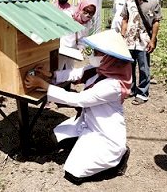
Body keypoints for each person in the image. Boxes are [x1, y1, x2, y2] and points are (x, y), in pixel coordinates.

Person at [25, 29, 133, 184]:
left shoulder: (113, 85)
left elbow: (78, 100)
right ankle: (83, 144)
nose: (93, 55)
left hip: (106, 135)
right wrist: (51, 75)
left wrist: (45, 86)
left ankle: (117, 161)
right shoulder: (100, 70)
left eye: (97, 52)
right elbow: (75, 74)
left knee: (73, 171)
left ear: (110, 58)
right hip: (87, 123)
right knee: (57, 136)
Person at [120, 0, 162, 105]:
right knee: (129, 67)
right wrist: (122, 35)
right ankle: (131, 89)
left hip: (144, 40)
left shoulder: (154, 2)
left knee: (144, 68)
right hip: (130, 40)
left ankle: (143, 93)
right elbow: (125, 19)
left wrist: (153, 40)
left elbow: (156, 22)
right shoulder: (129, 1)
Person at [58, 0, 96, 70]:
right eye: (86, 11)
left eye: (91, 13)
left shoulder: (88, 23)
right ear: (81, 8)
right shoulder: (68, 15)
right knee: (58, 68)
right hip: (62, 48)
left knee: (70, 69)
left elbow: (83, 38)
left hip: (73, 50)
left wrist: (81, 47)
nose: (88, 15)